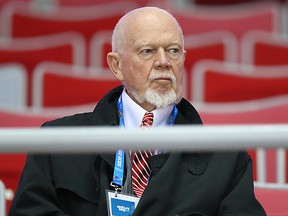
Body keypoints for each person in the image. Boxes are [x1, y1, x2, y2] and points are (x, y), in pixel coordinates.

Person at [9, 6, 266, 216]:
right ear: (116, 65)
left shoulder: (227, 157)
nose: (164, 62)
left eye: (173, 51)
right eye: (148, 51)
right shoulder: (56, 142)